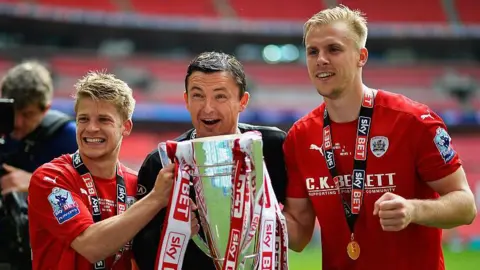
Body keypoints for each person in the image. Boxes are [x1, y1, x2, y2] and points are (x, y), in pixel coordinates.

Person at [282, 5, 477, 270]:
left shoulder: (413, 121)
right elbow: (298, 235)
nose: (321, 60)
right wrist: (248, 212)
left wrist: (413, 210)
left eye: (334, 49)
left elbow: (466, 206)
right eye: (312, 51)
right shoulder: (300, 136)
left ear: (361, 56)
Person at [132, 51, 288, 270]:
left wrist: (263, 221)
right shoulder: (162, 162)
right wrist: (172, 230)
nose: (207, 108)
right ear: (186, 100)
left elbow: (299, 230)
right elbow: (141, 254)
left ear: (242, 101)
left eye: (220, 96)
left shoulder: (271, 146)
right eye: (198, 96)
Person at [27, 71, 186, 270]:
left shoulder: (137, 185)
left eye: (104, 120)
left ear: (125, 127)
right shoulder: (51, 179)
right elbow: (90, 246)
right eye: (83, 119)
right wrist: (156, 199)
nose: (92, 128)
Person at [0, 61, 77, 270]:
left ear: (46, 109)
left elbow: (91, 195)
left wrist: (35, 181)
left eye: (27, 114)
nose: (17, 122)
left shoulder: (69, 137)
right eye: (11, 111)